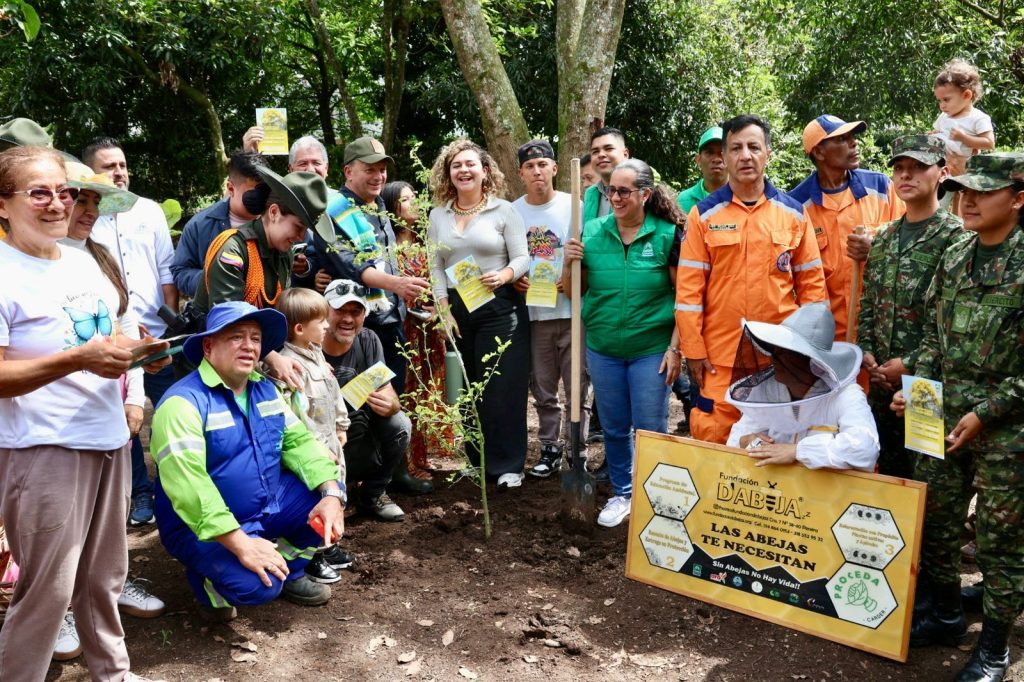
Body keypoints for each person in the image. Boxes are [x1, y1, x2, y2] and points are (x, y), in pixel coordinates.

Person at [0, 144, 168, 681]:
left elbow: (106, 339)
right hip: (44, 448)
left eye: (63, 192)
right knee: (48, 591)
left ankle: (112, 673)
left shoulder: (81, 262)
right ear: (3, 204)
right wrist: (78, 358)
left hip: (108, 438)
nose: (57, 204)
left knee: (103, 579)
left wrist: (140, 352)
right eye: (39, 193)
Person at [894, 153, 1024, 682]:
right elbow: (931, 337)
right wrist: (914, 391)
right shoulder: (955, 256)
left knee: (998, 541)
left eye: (983, 192)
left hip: (1007, 429)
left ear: (1017, 199)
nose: (966, 200)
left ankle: (994, 647)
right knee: (940, 524)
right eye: (964, 190)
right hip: (940, 415)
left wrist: (984, 412)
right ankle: (947, 615)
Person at [151, 301, 344, 620]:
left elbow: (300, 443)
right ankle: (209, 585)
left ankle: (287, 569)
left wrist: (332, 493)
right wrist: (241, 543)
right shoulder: (182, 403)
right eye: (236, 337)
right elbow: (190, 487)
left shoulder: (265, 391)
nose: (249, 346)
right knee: (258, 588)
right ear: (209, 346)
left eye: (255, 338)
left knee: (328, 500)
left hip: (266, 505)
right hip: (200, 526)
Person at [676, 114, 828, 445]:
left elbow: (814, 293)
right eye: (736, 148)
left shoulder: (794, 214)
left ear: (768, 153)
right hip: (720, 357)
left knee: (777, 442)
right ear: (726, 157)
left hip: (779, 358)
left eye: (753, 147)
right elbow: (688, 294)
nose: (745, 155)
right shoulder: (703, 216)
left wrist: (810, 355)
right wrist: (694, 351)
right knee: (714, 434)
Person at [562, 158, 684, 527]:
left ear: (645, 194)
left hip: (652, 349)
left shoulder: (667, 234)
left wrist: (675, 347)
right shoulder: (592, 232)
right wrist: (569, 265)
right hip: (603, 348)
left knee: (651, 428)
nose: (614, 197)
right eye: (610, 190)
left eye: (623, 191)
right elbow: (573, 293)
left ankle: (656, 500)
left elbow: (684, 297)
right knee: (614, 428)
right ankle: (623, 494)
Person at [83, 136, 180, 527]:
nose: (119, 173)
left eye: (122, 165)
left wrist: (171, 322)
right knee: (126, 422)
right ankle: (140, 493)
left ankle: (176, 490)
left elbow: (165, 270)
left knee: (173, 410)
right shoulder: (83, 217)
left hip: (155, 335)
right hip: (110, 339)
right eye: (109, 167)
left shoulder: (150, 211)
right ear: (91, 174)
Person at [857, 135, 964, 479]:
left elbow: (955, 322)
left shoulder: (956, 237)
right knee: (887, 481)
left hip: (929, 384)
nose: (906, 175)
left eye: (919, 167)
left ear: (943, 173)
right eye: (900, 168)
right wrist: (868, 353)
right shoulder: (885, 236)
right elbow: (869, 304)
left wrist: (912, 364)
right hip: (881, 384)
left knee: (929, 484)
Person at [427, 140, 531, 488]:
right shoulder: (438, 214)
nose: (464, 170)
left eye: (471, 164)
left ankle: (508, 466)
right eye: (456, 165)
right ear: (448, 173)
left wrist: (504, 275)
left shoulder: (503, 211)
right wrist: (444, 311)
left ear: (485, 172)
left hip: (500, 305)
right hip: (458, 308)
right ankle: (477, 461)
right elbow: (435, 266)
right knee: (469, 388)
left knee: (502, 387)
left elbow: (522, 258)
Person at [313, 137, 431, 394]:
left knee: (390, 401)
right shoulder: (332, 213)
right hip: (354, 329)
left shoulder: (380, 206)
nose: (378, 176)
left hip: (392, 326)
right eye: (369, 169)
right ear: (348, 171)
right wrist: (399, 285)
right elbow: (353, 267)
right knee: (357, 403)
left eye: (382, 170)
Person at [191, 165, 327, 387]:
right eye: (298, 227)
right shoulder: (233, 249)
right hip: (214, 363)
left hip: (255, 357)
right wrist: (273, 358)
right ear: (273, 212)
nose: (301, 236)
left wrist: (312, 361)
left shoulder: (284, 253)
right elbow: (228, 319)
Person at [511, 139, 590, 477]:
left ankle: (578, 451)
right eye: (530, 166)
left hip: (573, 312)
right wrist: (515, 279)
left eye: (542, 164)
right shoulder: (512, 211)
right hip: (535, 314)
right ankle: (549, 448)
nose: (537, 171)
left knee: (578, 387)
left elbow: (591, 254)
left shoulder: (577, 206)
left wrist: (572, 277)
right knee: (543, 387)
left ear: (555, 168)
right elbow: (508, 258)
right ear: (521, 173)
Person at [789, 115, 904, 341]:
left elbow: (909, 240)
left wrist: (876, 247)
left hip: (883, 328)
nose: (854, 143)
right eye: (842, 139)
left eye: (852, 137)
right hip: (828, 336)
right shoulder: (795, 207)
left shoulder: (880, 187)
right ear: (819, 152)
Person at [726, 302, 879, 470]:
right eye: (775, 351)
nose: (774, 359)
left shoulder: (846, 396)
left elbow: (865, 449)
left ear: (812, 362)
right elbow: (735, 440)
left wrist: (798, 451)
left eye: (785, 353)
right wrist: (747, 441)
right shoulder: (769, 390)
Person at [275, 287, 354, 584]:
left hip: (330, 441)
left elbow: (333, 394)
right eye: (320, 321)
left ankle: (327, 544)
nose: (326, 326)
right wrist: (314, 448)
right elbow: (292, 414)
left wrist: (341, 425)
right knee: (315, 498)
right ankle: (311, 557)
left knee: (336, 493)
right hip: (313, 449)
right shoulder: (288, 366)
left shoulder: (317, 355)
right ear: (299, 329)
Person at [321, 279, 411, 521]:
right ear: (324, 310)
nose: (348, 319)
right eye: (340, 310)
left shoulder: (369, 340)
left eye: (356, 312)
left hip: (358, 431)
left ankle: (373, 494)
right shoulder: (308, 342)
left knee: (400, 424)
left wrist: (392, 403)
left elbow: (387, 390)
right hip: (319, 438)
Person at [383, 180, 446, 490]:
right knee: (405, 392)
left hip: (429, 328)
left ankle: (421, 456)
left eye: (414, 198)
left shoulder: (426, 241)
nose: (413, 204)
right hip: (403, 328)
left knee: (427, 391)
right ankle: (403, 462)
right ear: (392, 206)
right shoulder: (388, 246)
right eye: (405, 199)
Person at [171, 151, 265, 297]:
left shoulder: (275, 220)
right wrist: (215, 278)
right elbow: (180, 271)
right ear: (231, 188)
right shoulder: (200, 225)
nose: (260, 198)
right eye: (253, 193)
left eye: (264, 191)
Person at [932, 59, 995, 177]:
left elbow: (989, 143)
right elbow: (937, 132)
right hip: (939, 168)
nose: (942, 106)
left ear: (966, 95)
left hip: (962, 172)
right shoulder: (944, 116)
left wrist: (964, 138)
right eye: (939, 101)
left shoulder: (978, 118)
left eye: (946, 99)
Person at [583, 127, 630, 225]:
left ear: (625, 154)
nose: (601, 155)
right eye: (595, 151)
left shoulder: (639, 191)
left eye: (608, 148)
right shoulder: (590, 194)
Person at [677, 126, 727, 214]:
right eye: (710, 153)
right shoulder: (683, 200)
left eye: (722, 153)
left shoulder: (744, 197)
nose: (716, 159)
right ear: (698, 160)